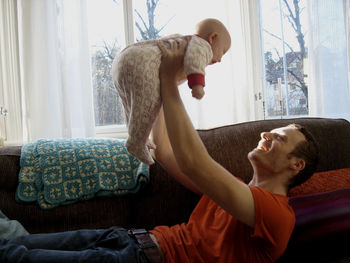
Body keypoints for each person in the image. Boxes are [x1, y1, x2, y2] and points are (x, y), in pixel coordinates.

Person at [0, 39, 318, 263]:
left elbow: (194, 162)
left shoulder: (277, 216)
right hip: (126, 238)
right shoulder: (229, 188)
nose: (266, 133)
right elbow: (166, 152)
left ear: (296, 164)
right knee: (15, 244)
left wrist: (168, 77)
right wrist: (160, 85)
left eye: (279, 137)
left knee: (12, 256)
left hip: (142, 258)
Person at [112, 18, 231, 165]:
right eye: (223, 52)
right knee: (149, 104)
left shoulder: (181, 40)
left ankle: (138, 136)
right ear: (213, 38)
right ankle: (135, 142)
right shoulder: (202, 45)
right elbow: (195, 63)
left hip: (123, 61)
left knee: (133, 105)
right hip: (142, 64)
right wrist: (197, 85)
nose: (220, 60)